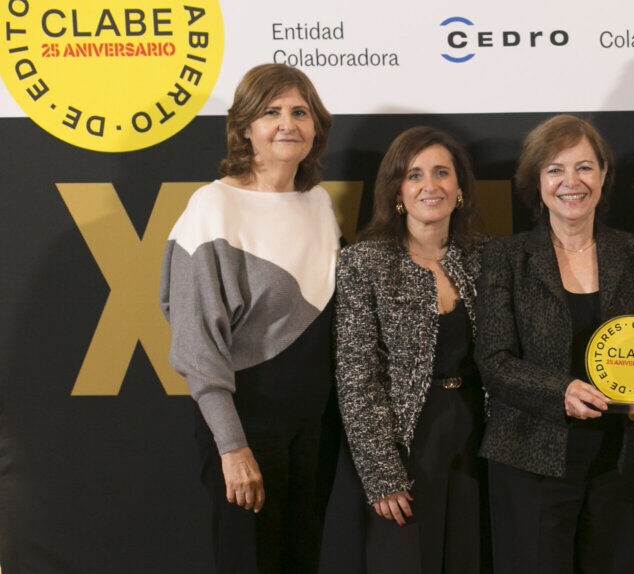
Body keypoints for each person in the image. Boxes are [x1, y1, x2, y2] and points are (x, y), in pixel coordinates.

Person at [160, 63, 340, 573]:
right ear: (245, 128)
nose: (288, 123)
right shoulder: (212, 207)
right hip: (247, 422)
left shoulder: (319, 202)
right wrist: (233, 446)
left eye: (300, 112)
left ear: (316, 126)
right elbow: (196, 345)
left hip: (316, 424)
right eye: (271, 112)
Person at [476, 114, 634, 574]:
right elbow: (494, 361)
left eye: (584, 167)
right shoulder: (506, 256)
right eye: (555, 169)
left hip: (620, 459)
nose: (571, 182)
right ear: (537, 181)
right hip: (530, 460)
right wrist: (560, 391)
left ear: (603, 174)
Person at [335, 126, 488, 573]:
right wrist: (382, 473)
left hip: (477, 435)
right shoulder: (364, 262)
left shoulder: (483, 256)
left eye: (442, 172)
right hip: (406, 439)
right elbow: (356, 375)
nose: (430, 185)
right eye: (414, 175)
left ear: (459, 187)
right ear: (397, 190)